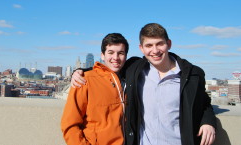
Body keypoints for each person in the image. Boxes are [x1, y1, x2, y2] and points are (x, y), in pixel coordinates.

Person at [71, 23, 216, 145]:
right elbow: (110, 66)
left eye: (160, 44)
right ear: (141, 48)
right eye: (149, 45)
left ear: (169, 44)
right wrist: (80, 71)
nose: (155, 50)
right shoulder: (135, 69)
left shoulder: (192, 75)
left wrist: (208, 122)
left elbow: (204, 103)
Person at [61, 33, 129, 145]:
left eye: (120, 53)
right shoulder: (84, 80)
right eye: (110, 52)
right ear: (102, 55)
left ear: (126, 56)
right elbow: (69, 125)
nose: (116, 58)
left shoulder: (130, 80)